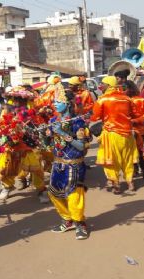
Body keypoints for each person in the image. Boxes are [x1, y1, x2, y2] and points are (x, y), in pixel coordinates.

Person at [45, 88, 92, 240]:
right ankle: (67, 219)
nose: (55, 104)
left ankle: (80, 223)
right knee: (53, 193)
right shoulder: (53, 121)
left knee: (74, 196)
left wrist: (63, 134)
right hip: (58, 164)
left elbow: (81, 146)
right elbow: (47, 145)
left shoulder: (78, 122)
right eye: (55, 101)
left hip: (74, 165)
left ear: (67, 103)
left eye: (59, 101)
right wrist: (46, 135)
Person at [0, 86, 48, 203]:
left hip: (28, 144)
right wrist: (7, 133)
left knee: (36, 168)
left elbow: (38, 126)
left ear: (26, 100)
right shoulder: (6, 110)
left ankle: (41, 190)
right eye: (15, 99)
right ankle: (7, 186)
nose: (18, 102)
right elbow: (1, 125)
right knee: (4, 167)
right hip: (11, 144)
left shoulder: (31, 111)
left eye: (21, 99)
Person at [92, 76, 138, 194]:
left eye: (103, 84)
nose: (100, 86)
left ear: (109, 85)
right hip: (127, 134)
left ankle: (116, 185)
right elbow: (133, 114)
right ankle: (130, 183)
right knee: (127, 160)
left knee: (112, 160)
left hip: (112, 134)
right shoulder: (127, 98)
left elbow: (95, 116)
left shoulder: (102, 99)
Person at [124, 80, 144, 179]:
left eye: (125, 88)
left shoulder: (141, 100)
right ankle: (134, 169)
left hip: (139, 130)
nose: (123, 91)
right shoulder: (122, 101)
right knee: (129, 151)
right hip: (126, 130)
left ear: (130, 89)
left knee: (139, 151)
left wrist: (137, 120)